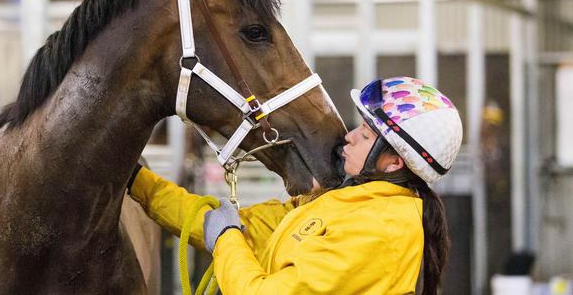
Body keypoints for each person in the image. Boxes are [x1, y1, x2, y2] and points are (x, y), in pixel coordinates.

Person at [127, 76, 462, 295]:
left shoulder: (378, 231)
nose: (349, 136)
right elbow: (225, 224)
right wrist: (136, 181)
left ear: (393, 162)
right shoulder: (342, 203)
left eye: (365, 135)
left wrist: (226, 239)